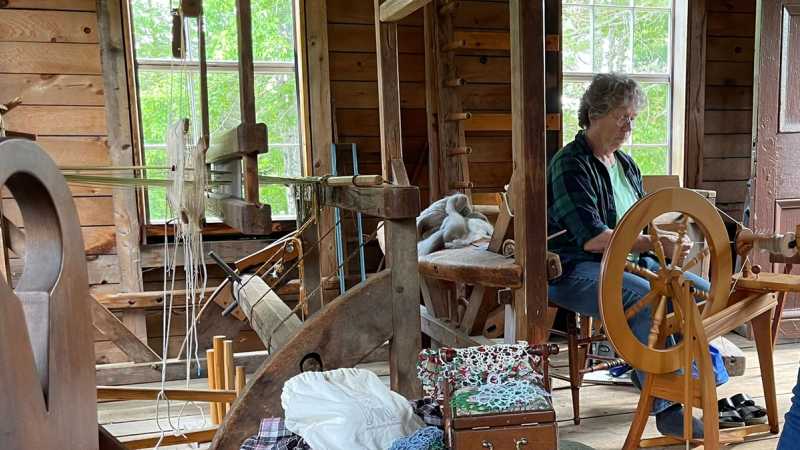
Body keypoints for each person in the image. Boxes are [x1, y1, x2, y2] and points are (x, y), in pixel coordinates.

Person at [547, 73, 711, 439]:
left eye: (633, 118)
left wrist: (663, 240)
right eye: (622, 116)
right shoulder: (570, 164)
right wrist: (656, 245)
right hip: (574, 269)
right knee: (644, 296)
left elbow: (641, 227)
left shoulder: (627, 166)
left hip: (628, 263)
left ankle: (698, 383)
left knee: (702, 292)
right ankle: (669, 408)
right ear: (595, 113)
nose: (629, 125)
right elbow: (591, 240)